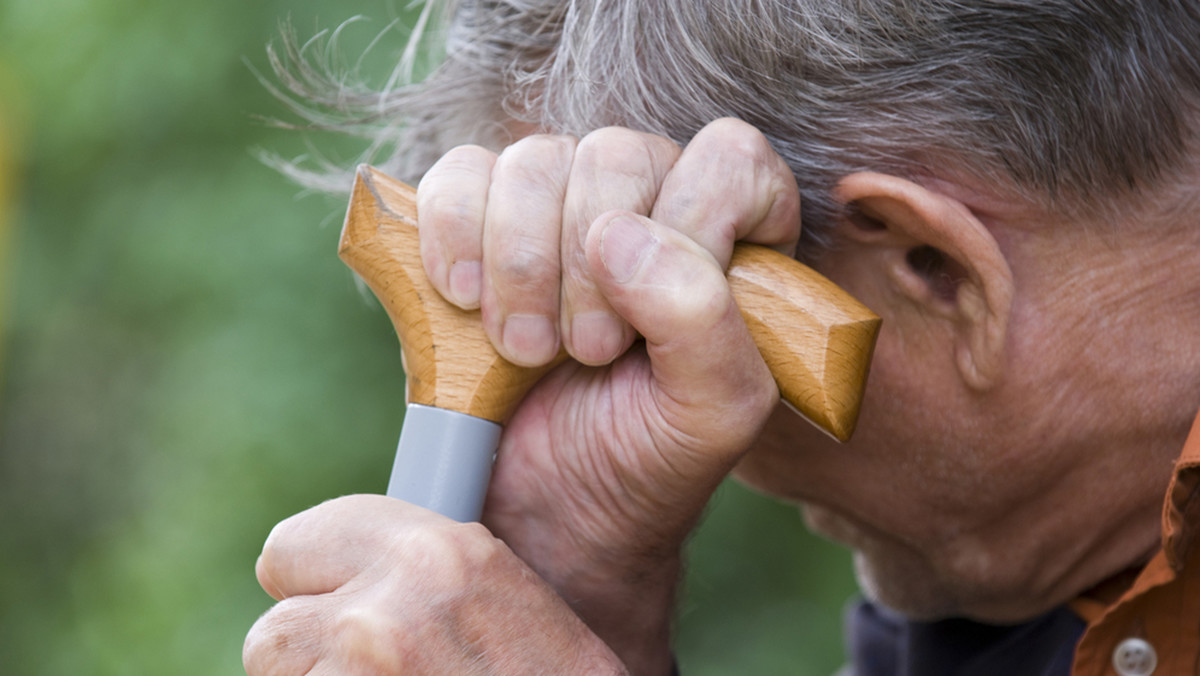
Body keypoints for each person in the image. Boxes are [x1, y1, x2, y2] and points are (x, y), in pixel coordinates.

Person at [245, 1, 1200, 674]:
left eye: (634, 332)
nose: (724, 442)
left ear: (932, 269)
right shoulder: (1020, 568)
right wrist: (573, 582)